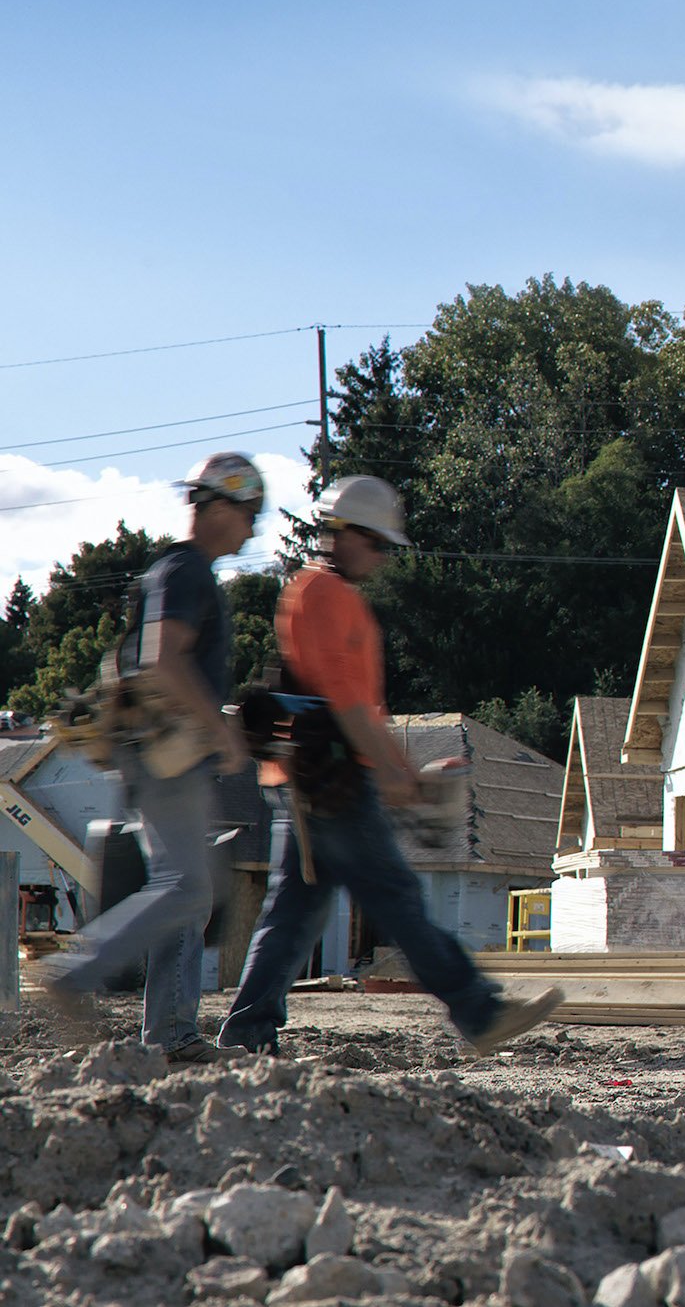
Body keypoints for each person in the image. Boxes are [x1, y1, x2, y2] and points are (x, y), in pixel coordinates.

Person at [216, 475, 562, 1055]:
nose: (379, 558)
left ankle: (247, 1034)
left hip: (314, 781)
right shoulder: (325, 597)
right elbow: (347, 708)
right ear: (341, 534)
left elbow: (357, 711)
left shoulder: (323, 594)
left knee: (292, 914)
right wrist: (401, 780)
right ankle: (478, 1012)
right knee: (397, 898)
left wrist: (401, 774)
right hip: (331, 783)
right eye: (375, 544)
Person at [31, 453, 266, 1061]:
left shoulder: (180, 572)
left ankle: (170, 1033)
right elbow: (162, 661)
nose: (253, 528)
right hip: (170, 756)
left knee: (184, 890)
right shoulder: (184, 572)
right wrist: (223, 731)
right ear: (218, 505)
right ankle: (77, 974)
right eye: (249, 512)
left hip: (161, 754)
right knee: (189, 888)